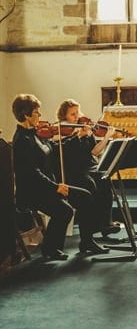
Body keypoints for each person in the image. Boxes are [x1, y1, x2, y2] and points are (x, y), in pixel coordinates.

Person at [11, 94, 107, 260]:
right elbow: (32, 173)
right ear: (26, 114)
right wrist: (55, 186)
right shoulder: (22, 140)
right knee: (64, 210)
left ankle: (86, 242)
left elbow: (55, 147)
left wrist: (77, 137)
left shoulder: (34, 134)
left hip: (45, 187)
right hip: (33, 192)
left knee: (85, 196)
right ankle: (50, 249)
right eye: (36, 112)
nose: (40, 116)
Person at [54, 99, 120, 239]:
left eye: (77, 112)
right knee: (93, 183)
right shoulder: (63, 132)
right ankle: (96, 226)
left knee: (105, 178)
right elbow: (67, 154)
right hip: (76, 170)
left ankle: (105, 223)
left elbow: (94, 152)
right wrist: (79, 135)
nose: (77, 117)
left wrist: (107, 137)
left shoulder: (85, 129)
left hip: (90, 166)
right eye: (72, 114)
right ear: (64, 117)